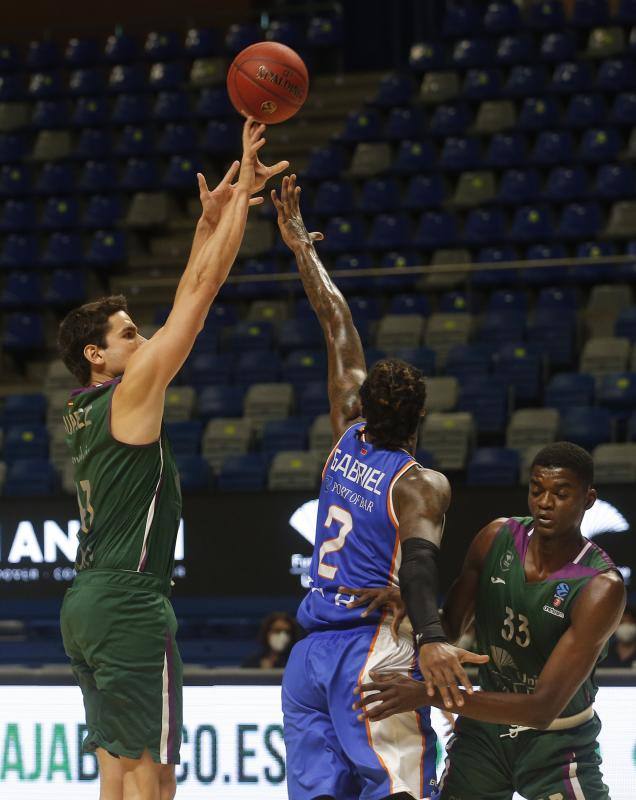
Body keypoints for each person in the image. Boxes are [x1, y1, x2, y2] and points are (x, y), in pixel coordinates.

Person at [57, 118, 288, 800]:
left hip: (87, 604)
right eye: (129, 334)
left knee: (119, 770)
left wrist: (203, 224)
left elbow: (186, 291)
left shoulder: (85, 406)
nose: (145, 339)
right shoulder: (132, 393)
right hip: (128, 603)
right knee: (153, 780)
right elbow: (203, 295)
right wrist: (244, 192)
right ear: (97, 355)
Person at [271, 174, 487, 800]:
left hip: (309, 658)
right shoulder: (420, 483)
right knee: (401, 789)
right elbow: (419, 566)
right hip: (369, 651)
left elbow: (334, 320)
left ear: (362, 404)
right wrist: (433, 639)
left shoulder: (345, 433)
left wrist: (302, 249)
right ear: (421, 418)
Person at [354, 442, 626, 800]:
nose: (545, 502)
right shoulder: (495, 538)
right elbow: (447, 628)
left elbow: (542, 709)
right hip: (484, 735)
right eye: (536, 490)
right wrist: (411, 609)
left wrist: (425, 695)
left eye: (561, 493)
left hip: (558, 740)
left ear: (588, 499)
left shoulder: (600, 586)